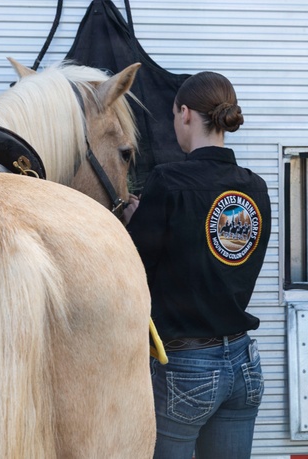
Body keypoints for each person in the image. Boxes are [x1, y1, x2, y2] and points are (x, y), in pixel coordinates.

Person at [124, 71, 272, 459]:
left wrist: (134, 222)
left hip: (186, 367)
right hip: (244, 362)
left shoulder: (168, 181)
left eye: (174, 115)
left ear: (185, 113)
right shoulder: (255, 187)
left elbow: (134, 268)